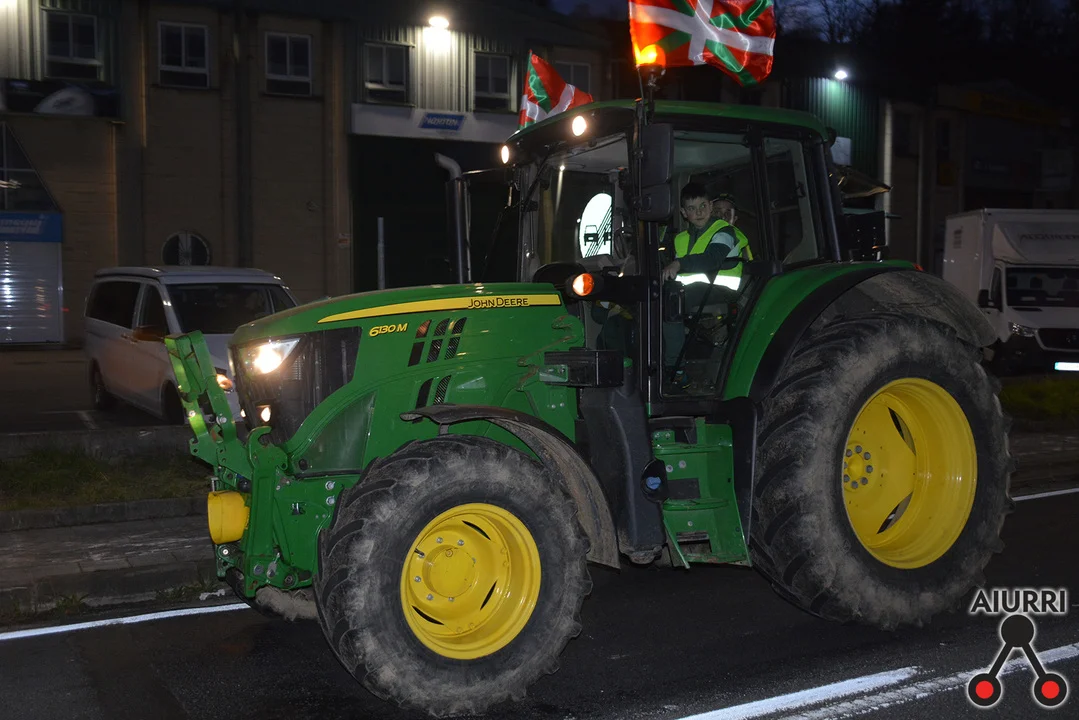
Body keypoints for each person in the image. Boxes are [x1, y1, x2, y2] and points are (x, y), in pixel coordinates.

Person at [661, 183, 753, 390]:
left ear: (711, 206)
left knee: (672, 299)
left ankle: (675, 369)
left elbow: (712, 258)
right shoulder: (681, 239)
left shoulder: (725, 232)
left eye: (703, 206)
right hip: (693, 291)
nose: (699, 212)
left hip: (721, 290)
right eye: (692, 208)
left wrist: (679, 264)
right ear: (684, 213)